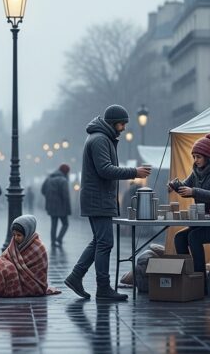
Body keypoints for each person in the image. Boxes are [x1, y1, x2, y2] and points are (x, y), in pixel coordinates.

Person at [65, 105, 151, 301]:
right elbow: (105, 170)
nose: (123, 128)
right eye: (122, 124)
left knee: (98, 241)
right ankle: (103, 288)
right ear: (114, 123)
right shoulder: (100, 140)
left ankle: (76, 276)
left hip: (98, 198)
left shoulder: (101, 138)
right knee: (105, 243)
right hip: (98, 199)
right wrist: (133, 172)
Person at [171, 134, 210, 274]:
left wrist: (194, 191)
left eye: (198, 157)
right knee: (179, 238)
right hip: (203, 222)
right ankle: (187, 277)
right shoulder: (196, 172)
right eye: (194, 157)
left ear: (207, 156)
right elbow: (184, 187)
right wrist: (175, 185)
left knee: (194, 237)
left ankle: (200, 279)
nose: (195, 160)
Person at [41, 164, 72, 247]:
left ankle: (53, 241)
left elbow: (43, 190)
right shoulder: (63, 180)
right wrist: (68, 209)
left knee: (53, 225)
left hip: (51, 206)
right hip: (62, 207)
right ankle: (59, 238)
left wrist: (49, 198)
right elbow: (65, 196)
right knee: (65, 224)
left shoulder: (49, 179)